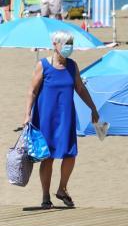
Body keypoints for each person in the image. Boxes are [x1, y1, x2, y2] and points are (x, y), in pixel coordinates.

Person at [23, 31, 99, 209]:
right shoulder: (43, 65)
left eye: (71, 43)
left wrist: (93, 107)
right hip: (45, 117)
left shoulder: (72, 66)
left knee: (70, 154)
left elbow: (79, 88)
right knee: (47, 157)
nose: (69, 47)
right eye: (66, 43)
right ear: (55, 45)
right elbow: (32, 91)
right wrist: (27, 114)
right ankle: (45, 196)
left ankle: (62, 189)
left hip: (66, 116)